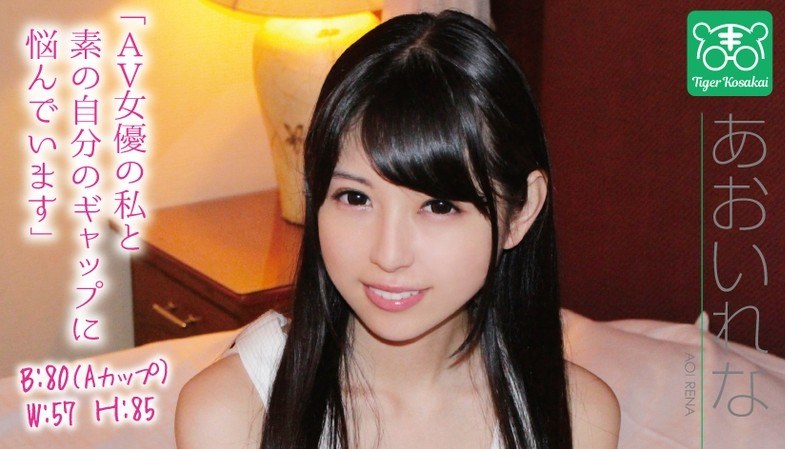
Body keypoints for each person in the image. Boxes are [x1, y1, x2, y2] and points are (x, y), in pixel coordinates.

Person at [176, 10, 619, 449]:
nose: (388, 255)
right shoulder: (231, 414)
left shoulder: (578, 420)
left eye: (439, 206)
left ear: (521, 212)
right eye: (355, 198)